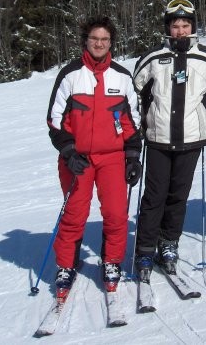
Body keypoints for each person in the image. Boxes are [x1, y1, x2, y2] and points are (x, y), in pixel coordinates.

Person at [46, 15, 143, 298]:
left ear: (111, 42)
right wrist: (68, 150)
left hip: (112, 158)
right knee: (74, 213)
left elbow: (131, 122)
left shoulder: (122, 77)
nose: (99, 43)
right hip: (78, 159)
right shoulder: (70, 75)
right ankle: (66, 265)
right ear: (85, 41)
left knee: (115, 213)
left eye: (104, 39)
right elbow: (55, 120)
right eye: (94, 39)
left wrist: (133, 156)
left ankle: (111, 261)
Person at [132, 0, 206, 280]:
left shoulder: (205, 57)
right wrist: (141, 122)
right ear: (168, 28)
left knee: (178, 196)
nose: (181, 31)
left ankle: (168, 243)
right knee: (154, 196)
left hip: (191, 139)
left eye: (185, 25)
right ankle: (145, 249)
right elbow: (135, 92)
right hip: (158, 138)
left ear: (193, 26)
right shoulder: (153, 58)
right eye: (176, 26)